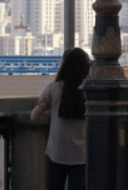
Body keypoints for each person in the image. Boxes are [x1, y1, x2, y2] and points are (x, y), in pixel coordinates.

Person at [30, 47, 92, 190]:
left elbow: (34, 118)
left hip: (56, 152)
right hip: (80, 154)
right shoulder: (88, 92)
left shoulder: (54, 89)